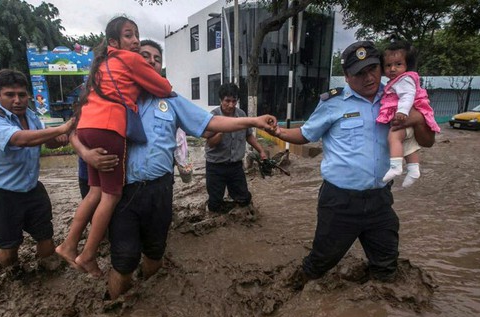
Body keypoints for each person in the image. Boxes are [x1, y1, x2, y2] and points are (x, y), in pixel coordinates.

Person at [71, 40, 277, 300]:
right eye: (143, 55)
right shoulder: (110, 94)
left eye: (156, 58)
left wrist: (253, 120)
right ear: (131, 60)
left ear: (160, 66)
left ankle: (151, 302)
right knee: (123, 260)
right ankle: (114, 306)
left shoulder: (171, 100)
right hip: (122, 193)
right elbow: (76, 130)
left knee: (155, 253)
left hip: (159, 190)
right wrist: (86, 154)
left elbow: (210, 122)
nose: (150, 61)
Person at [268, 41, 435, 285]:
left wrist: (418, 118)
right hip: (339, 202)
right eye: (359, 73)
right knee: (319, 264)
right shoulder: (332, 103)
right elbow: (306, 134)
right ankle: (289, 289)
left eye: (373, 69)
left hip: (380, 199)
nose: (369, 78)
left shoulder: (398, 98)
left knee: (387, 267)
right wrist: (279, 132)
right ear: (347, 77)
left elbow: (427, 141)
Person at [57, 16, 172, 277]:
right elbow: (163, 86)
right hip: (109, 129)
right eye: (129, 36)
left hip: (87, 128)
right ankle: (86, 255)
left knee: (95, 192)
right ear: (114, 42)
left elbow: (76, 123)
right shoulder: (130, 60)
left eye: (136, 35)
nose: (135, 41)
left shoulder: (101, 67)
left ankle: (69, 244)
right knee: (112, 196)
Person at [0, 69, 75, 268]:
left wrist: (60, 139)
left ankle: (49, 274)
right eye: (10, 95)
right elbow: (19, 140)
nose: (17, 100)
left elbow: (45, 141)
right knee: (9, 246)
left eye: (21, 95)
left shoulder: (30, 115)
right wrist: (63, 127)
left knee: (46, 236)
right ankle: (11, 280)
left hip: (30, 188)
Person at [377, 41, 440, 187]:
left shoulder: (404, 80)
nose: (392, 69)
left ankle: (396, 167)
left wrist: (404, 113)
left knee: (394, 137)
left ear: (407, 65)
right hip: (405, 118)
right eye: (388, 65)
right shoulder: (395, 82)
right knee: (409, 145)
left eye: (398, 64)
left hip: (402, 116)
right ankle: (413, 169)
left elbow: (408, 95)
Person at [205, 83, 267, 213]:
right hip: (215, 166)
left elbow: (248, 135)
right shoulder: (212, 117)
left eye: (234, 101)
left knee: (244, 199)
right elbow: (210, 143)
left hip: (235, 166)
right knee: (214, 205)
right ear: (221, 100)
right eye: (227, 101)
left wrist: (261, 151)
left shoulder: (241, 115)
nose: (231, 105)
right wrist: (222, 129)